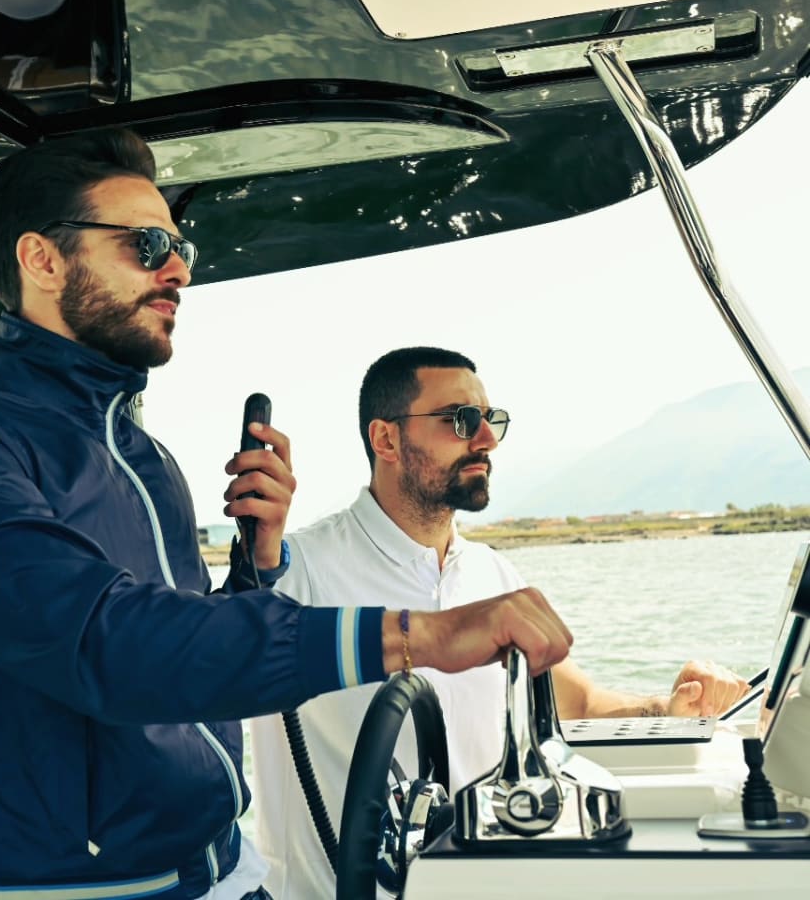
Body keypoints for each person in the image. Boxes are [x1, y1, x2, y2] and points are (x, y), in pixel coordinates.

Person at [0, 135, 573, 900]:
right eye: (148, 244)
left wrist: (256, 569)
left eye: (179, 246)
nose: (179, 269)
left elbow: (185, 652)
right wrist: (418, 634)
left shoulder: (146, 457)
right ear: (42, 260)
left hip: (227, 871)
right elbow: (105, 643)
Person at [249, 345, 750, 900]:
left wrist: (669, 710)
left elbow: (576, 702)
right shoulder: (298, 572)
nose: (486, 439)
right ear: (386, 439)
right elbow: (223, 652)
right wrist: (261, 561)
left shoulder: (494, 575)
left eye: (492, 421)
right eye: (462, 420)